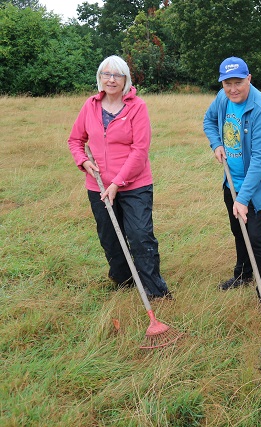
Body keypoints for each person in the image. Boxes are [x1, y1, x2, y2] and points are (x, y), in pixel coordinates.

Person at [68, 55, 171, 300]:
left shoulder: (137, 107)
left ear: (125, 79)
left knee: (140, 236)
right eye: (106, 74)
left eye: (117, 75)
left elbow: (140, 150)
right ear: (100, 78)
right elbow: (75, 140)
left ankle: (155, 291)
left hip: (135, 185)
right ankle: (124, 282)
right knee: (110, 237)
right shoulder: (90, 106)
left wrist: (117, 183)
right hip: (98, 185)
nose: (111, 80)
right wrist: (83, 161)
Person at [203, 57, 261, 309]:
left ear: (249, 78)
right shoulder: (222, 98)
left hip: (259, 188)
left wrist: (243, 199)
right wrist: (216, 143)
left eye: (238, 82)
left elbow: (260, 160)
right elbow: (208, 121)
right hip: (232, 182)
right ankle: (243, 274)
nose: (233, 89)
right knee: (239, 231)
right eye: (228, 83)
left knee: (257, 237)